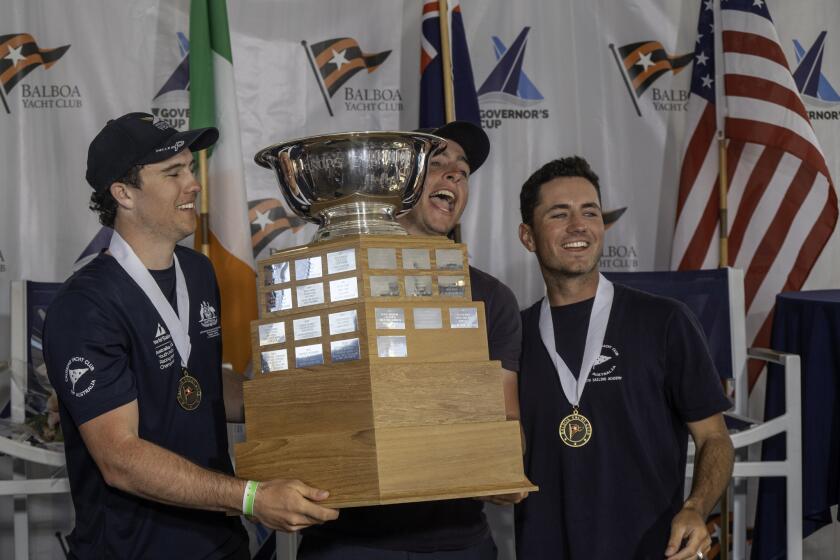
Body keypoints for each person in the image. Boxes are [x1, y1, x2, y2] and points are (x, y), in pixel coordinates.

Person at [43, 112, 338, 559]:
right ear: (123, 193)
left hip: (220, 543)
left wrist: (301, 401)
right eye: (172, 172)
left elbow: (199, 380)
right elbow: (119, 458)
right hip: (135, 551)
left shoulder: (198, 272)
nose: (194, 184)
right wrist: (251, 498)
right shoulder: (85, 306)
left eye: (191, 168)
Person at [297, 121, 525, 559]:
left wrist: (507, 465)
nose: (454, 175)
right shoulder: (336, 278)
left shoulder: (493, 298)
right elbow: (302, 405)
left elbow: (505, 413)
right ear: (394, 183)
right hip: (350, 541)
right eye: (437, 165)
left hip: (458, 541)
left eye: (462, 170)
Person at [514, 156, 734, 560]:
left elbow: (715, 439)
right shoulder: (514, 335)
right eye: (559, 214)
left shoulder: (665, 321)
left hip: (651, 550)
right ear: (527, 236)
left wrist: (695, 508)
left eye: (590, 212)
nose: (578, 226)